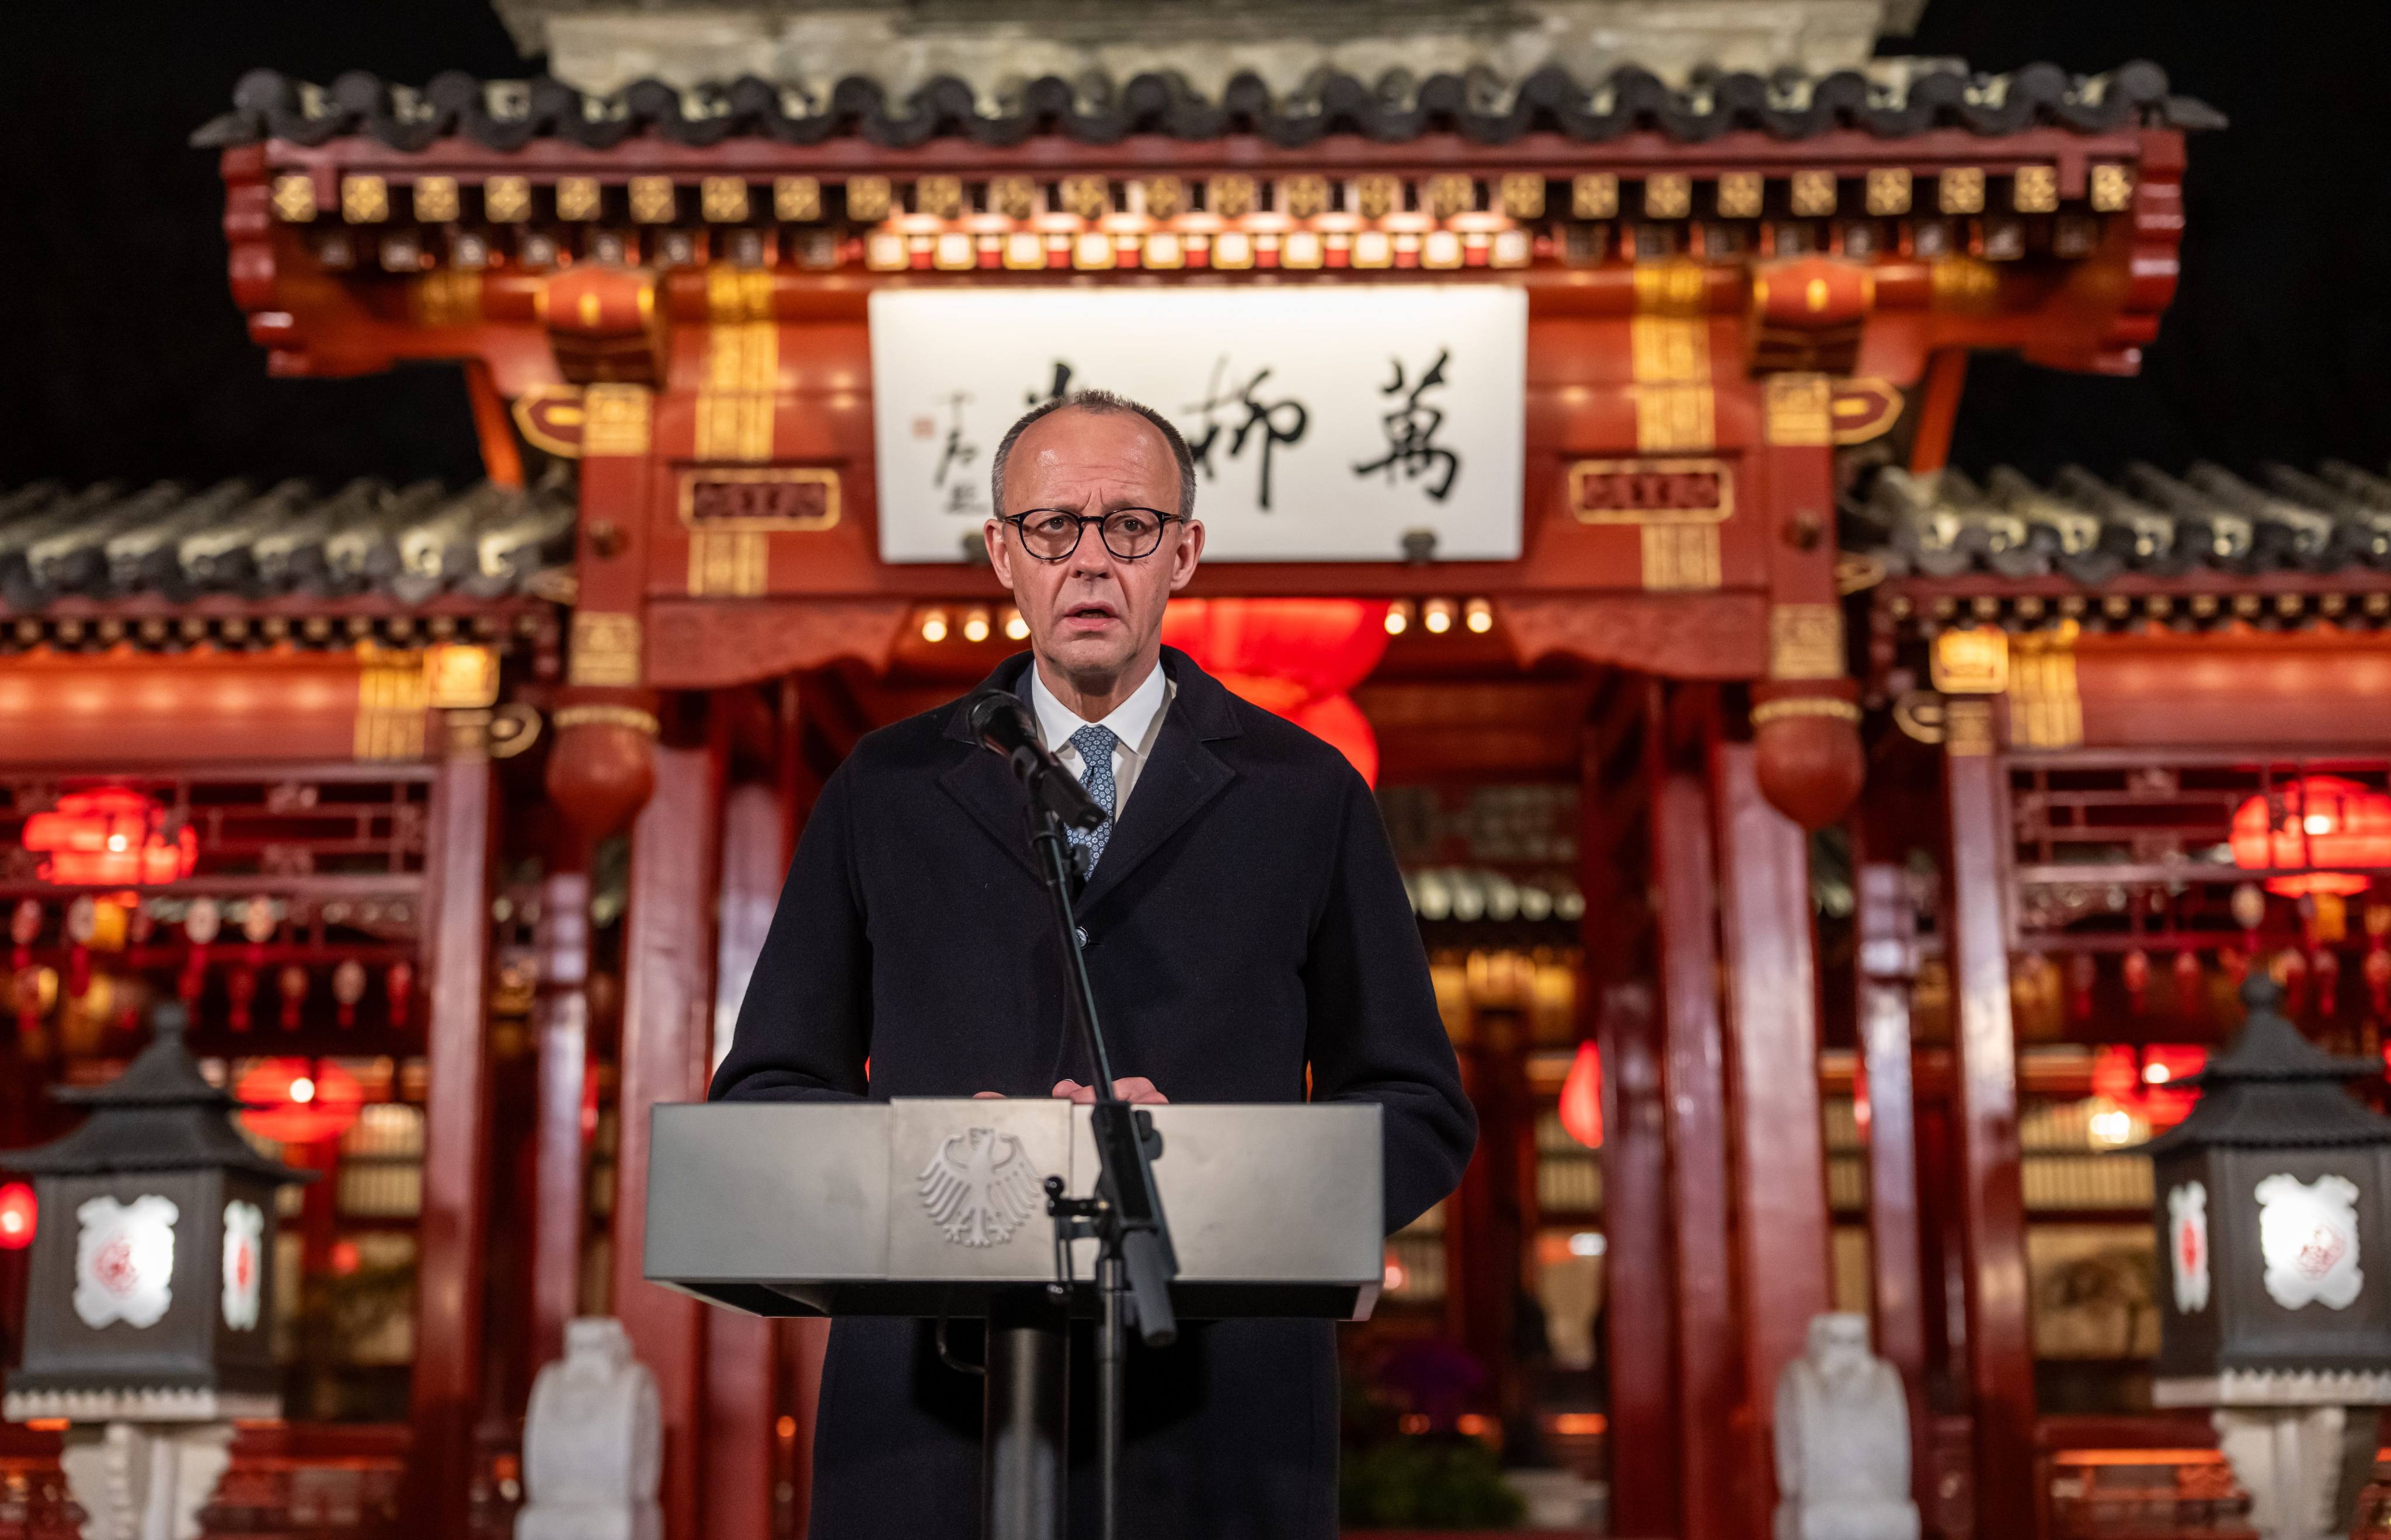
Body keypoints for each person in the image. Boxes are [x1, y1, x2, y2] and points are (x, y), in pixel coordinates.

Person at [711, 388, 1476, 1538]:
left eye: (1127, 526)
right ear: (1001, 556)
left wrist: (1219, 1171)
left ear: (1183, 554)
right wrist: (942, 1156)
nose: (1088, 560)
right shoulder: (889, 785)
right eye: (1050, 526)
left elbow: (1416, 1105)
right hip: (931, 1411)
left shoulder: (1306, 793)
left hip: (1221, 1409)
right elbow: (771, 1087)